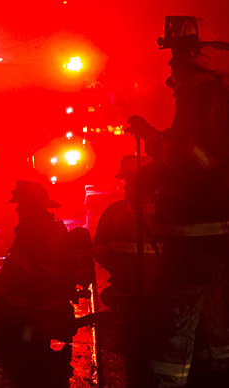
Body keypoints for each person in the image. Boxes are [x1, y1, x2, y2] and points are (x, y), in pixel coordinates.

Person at [127, 16, 229, 387]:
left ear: (195, 55)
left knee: (172, 316)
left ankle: (162, 381)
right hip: (207, 229)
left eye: (175, 55)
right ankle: (214, 374)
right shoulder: (207, 94)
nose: (170, 64)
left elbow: (198, 160)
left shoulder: (201, 95)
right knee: (211, 316)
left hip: (194, 230)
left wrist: (155, 147)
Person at [0, 180, 91, 348]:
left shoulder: (29, 233)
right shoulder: (57, 228)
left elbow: (10, 277)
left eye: (20, 205)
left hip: (33, 307)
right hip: (57, 304)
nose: (17, 209)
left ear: (31, 207)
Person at [93, 155, 160, 314]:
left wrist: (122, 273)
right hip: (163, 291)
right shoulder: (171, 211)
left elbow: (100, 252)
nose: (124, 187)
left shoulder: (113, 212)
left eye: (128, 182)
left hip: (124, 291)